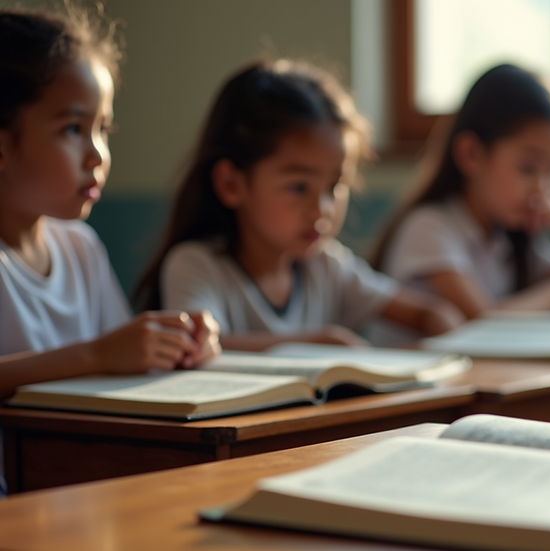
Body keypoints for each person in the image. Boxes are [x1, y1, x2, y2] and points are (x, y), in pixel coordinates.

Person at [133, 59, 463, 351]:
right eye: (298, 187)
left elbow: (433, 313)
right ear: (231, 184)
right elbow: (198, 346)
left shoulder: (329, 267)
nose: (321, 210)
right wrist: (317, 343)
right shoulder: (196, 265)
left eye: (335, 186)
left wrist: (433, 345)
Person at [0, 7, 220, 401]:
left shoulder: (81, 247)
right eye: (73, 129)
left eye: (103, 129)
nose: (98, 155)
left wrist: (177, 345)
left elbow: (120, 362)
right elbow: (102, 355)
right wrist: (96, 354)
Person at [372, 64, 550, 326]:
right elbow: (476, 324)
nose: (542, 188)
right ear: (472, 154)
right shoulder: (429, 228)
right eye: (528, 168)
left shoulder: (509, 239)